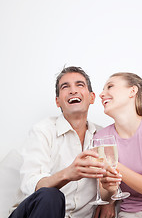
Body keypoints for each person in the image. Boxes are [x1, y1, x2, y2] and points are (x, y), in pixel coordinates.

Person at [8, 66, 117, 218]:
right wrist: (68, 173)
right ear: (58, 101)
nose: (73, 90)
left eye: (80, 85)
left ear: (92, 97)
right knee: (50, 195)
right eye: (65, 87)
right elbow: (30, 184)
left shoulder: (103, 136)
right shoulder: (42, 131)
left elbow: (108, 184)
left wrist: (109, 200)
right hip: (33, 213)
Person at [94, 72, 142, 218]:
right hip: (127, 213)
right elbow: (105, 194)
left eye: (110, 86)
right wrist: (109, 191)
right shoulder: (101, 137)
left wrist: (114, 165)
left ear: (132, 91)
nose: (101, 94)